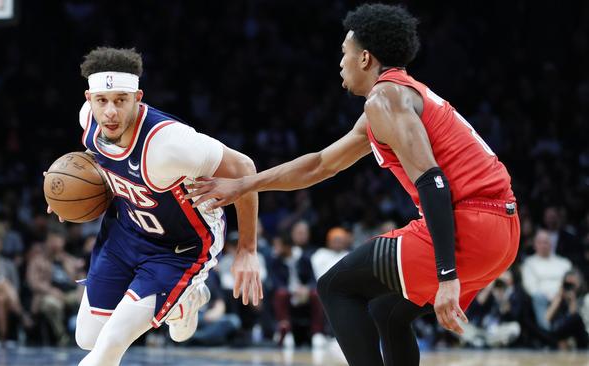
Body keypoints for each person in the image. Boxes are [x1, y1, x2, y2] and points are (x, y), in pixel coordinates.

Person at [186, 4, 519, 365]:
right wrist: (244, 185)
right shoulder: (395, 100)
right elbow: (320, 164)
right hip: (503, 233)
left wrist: (447, 275)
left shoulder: (384, 98)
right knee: (390, 314)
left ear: (364, 58)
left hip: (469, 227)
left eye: (344, 53)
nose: (340, 63)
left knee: (335, 287)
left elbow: (433, 182)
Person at [46, 47, 262, 366]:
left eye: (121, 100)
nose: (110, 112)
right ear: (89, 98)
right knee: (87, 338)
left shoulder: (169, 145)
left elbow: (244, 168)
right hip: (126, 231)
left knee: (108, 347)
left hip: (179, 247)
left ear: (138, 98)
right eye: (102, 101)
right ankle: (186, 302)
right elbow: (102, 164)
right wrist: (62, 191)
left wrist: (247, 250)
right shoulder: (88, 119)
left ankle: (186, 292)